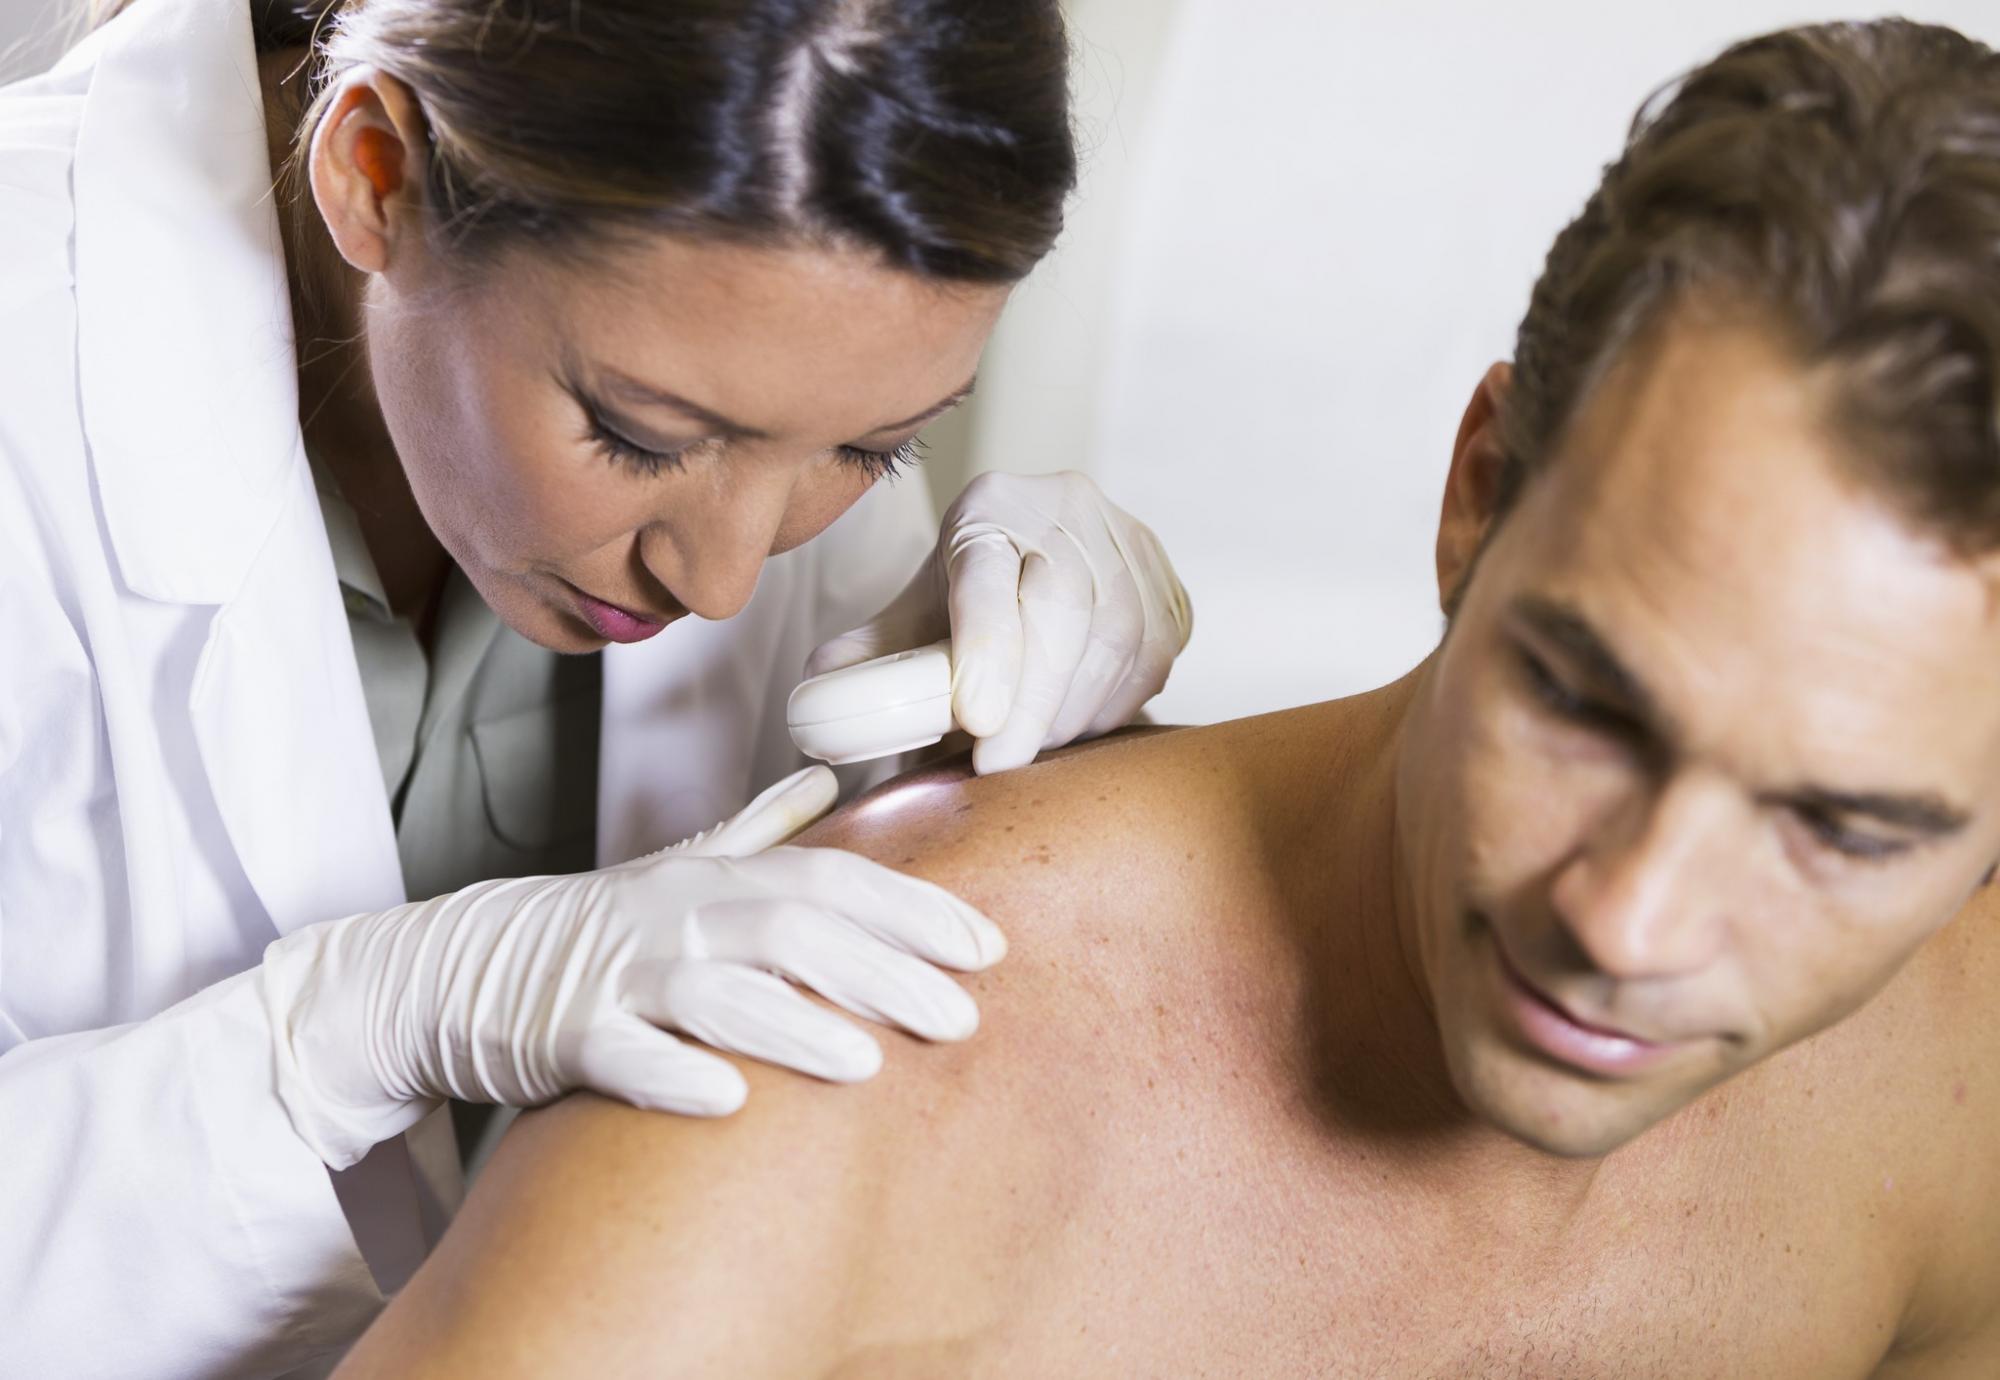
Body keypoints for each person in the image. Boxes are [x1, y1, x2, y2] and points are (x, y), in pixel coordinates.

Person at [335, 18, 2000, 1377]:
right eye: (1587, 707)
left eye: (1842, 827)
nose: (1630, 925)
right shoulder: (822, 1084)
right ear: (1478, 490)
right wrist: (319, 1038)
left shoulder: (1956, 1084)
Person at [0, 0, 1196, 1373]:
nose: (727, 578)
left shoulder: (740, 344)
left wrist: (1006, 722)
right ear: (374, 176)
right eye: (639, 438)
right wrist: (326, 1041)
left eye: (872, 448)